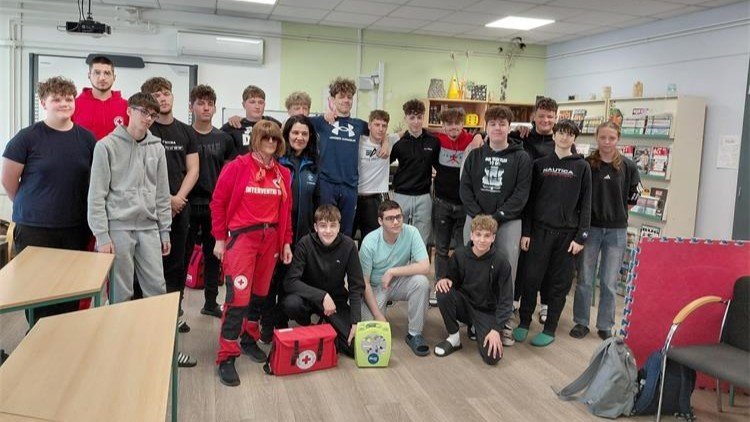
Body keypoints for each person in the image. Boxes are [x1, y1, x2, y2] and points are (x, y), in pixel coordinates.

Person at [2, 76, 96, 324]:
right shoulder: (27, 137)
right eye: (57, 99)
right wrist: (30, 205)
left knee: (70, 288)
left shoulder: (87, 139)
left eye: (69, 99)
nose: (64, 104)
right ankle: (37, 337)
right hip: (35, 228)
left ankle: (62, 337)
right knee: (38, 289)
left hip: (75, 227)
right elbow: (9, 180)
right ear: (43, 103)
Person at [211, 120, 293, 387]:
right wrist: (219, 239)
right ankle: (226, 356)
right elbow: (218, 203)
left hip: (270, 240)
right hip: (242, 239)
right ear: (255, 139)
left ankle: (248, 339)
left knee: (259, 295)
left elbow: (286, 211)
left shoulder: (282, 173)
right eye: (265, 138)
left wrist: (286, 242)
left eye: (274, 139)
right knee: (238, 297)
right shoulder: (237, 167)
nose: (270, 142)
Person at [515, 119, 591, 347]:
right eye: (561, 133)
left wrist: (581, 237)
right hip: (539, 232)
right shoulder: (540, 164)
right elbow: (530, 202)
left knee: (559, 284)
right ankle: (524, 322)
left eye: (570, 134)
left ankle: (549, 329)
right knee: (531, 279)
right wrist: (526, 232)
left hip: (567, 236)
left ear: (574, 138)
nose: (565, 137)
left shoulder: (582, 167)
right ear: (554, 135)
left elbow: (586, 204)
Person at [459, 105, 532, 346]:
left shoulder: (521, 157)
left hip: (508, 222)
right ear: (486, 127)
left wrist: (497, 218)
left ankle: (504, 323)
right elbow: (465, 188)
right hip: (476, 219)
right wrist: (480, 218)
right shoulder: (475, 156)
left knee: (506, 272)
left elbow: (521, 194)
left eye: (502, 124)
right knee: (473, 268)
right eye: (493, 124)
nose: (498, 128)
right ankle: (474, 318)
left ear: (509, 127)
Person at [571, 121, 641, 340]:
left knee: (609, 282)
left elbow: (634, 196)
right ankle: (581, 322)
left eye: (611, 138)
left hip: (616, 232)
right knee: (585, 278)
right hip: (590, 229)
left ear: (618, 139)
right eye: (603, 137)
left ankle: (605, 325)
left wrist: (617, 211)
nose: (607, 142)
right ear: (596, 138)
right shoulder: (587, 164)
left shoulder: (628, 166)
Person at [141, 77, 199, 330]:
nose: (162, 98)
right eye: (156, 95)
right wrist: (165, 200)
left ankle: (172, 316)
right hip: (149, 209)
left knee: (176, 264)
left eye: (166, 93)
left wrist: (178, 199)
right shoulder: (145, 131)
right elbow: (141, 172)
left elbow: (193, 169)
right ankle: (148, 317)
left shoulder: (186, 131)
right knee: (149, 264)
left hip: (180, 207)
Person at [257, 114, 319, 343]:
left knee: (287, 283)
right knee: (268, 284)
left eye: (304, 133)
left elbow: (317, 203)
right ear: (287, 134)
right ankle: (266, 326)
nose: (299, 137)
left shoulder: (314, 166)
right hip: (274, 236)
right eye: (295, 132)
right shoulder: (275, 162)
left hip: (301, 238)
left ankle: (280, 323)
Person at [282, 204, 364, 357]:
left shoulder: (348, 245)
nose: (328, 230)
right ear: (315, 227)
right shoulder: (305, 243)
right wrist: (322, 296)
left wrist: (355, 322)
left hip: (336, 301)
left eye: (333, 225)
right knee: (291, 303)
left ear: (339, 227)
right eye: (323, 226)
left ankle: (325, 333)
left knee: (355, 348)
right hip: (308, 298)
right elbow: (290, 282)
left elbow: (356, 286)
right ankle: (309, 325)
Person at [434, 215, 512, 365]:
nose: (482, 240)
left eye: (487, 236)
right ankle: (454, 338)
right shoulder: (460, 255)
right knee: (442, 291)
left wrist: (496, 329)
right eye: (478, 234)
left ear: (493, 238)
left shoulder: (501, 262)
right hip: (465, 305)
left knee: (493, 357)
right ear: (471, 235)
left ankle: (477, 327)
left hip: (487, 312)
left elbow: (506, 300)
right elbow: (451, 279)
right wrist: (445, 279)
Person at [185, 84, 235, 318]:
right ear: (191, 107)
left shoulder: (224, 138)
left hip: (215, 208)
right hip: (187, 205)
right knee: (182, 257)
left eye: (210, 104)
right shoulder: (184, 135)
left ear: (215, 108)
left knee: (214, 256)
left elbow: (229, 175)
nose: (206, 108)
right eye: (200, 103)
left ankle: (211, 303)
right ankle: (176, 308)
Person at [311, 77, 384, 236]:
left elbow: (380, 132)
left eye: (349, 97)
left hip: (350, 186)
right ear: (333, 99)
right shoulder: (322, 122)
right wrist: (323, 114)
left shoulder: (359, 125)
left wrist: (386, 143)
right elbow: (294, 123)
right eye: (341, 96)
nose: (346, 100)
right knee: (326, 228)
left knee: (345, 232)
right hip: (327, 184)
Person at [359, 200, 431, 357]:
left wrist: (393, 271)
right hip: (375, 286)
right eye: (390, 218)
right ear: (380, 221)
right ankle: (376, 312)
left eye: (399, 217)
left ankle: (414, 334)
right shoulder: (369, 242)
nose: (396, 222)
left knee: (421, 282)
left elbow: (425, 267)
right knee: (370, 333)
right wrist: (378, 316)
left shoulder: (411, 232)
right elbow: (364, 283)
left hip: (398, 281)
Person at [511, 97, 559, 323]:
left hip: (548, 210)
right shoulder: (521, 137)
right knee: (521, 257)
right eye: (541, 116)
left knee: (547, 260)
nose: (545, 120)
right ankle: (514, 300)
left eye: (550, 116)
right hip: (522, 207)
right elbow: (493, 133)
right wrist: (479, 136)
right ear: (534, 117)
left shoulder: (562, 143)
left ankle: (545, 304)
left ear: (556, 118)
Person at [390, 99, 440, 246]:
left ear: (423, 117)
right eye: (412, 117)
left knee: (421, 239)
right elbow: (384, 163)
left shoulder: (433, 141)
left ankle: (418, 262)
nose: (416, 122)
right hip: (401, 195)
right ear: (405, 118)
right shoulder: (397, 142)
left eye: (419, 117)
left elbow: (439, 166)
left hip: (423, 196)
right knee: (397, 236)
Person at [432, 107, 474, 282]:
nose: (453, 127)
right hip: (442, 202)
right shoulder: (438, 139)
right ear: (443, 126)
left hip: (464, 204)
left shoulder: (472, 139)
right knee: (441, 248)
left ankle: (458, 283)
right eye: (449, 124)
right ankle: (440, 283)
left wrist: (479, 136)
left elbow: (487, 135)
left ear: (463, 124)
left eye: (457, 123)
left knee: (462, 248)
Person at [354, 109, 394, 243]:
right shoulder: (359, 140)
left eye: (384, 126)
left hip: (374, 199)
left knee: (370, 240)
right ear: (369, 125)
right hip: (354, 196)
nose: (380, 129)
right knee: (347, 236)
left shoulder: (390, 141)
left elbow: (407, 132)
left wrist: (386, 140)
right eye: (377, 125)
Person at [72, 55, 129, 140]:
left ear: (114, 77)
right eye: (97, 73)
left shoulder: (127, 106)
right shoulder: (74, 105)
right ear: (89, 75)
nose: (102, 78)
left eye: (107, 73)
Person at [222, 85, 282, 155]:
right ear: (244, 104)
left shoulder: (273, 124)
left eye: (260, 102)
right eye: (252, 102)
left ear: (264, 105)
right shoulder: (234, 125)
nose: (257, 106)